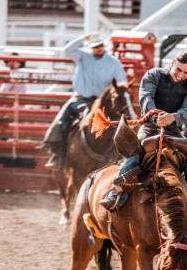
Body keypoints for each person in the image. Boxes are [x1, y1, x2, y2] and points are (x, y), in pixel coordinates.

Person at [99, 50, 187, 212]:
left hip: (173, 131)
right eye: (178, 70)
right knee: (135, 154)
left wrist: (172, 117)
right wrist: (158, 116)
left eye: (186, 72)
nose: (181, 75)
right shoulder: (153, 75)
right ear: (173, 62)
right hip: (149, 129)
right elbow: (146, 98)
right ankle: (116, 194)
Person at [42, 33, 127, 170]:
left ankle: (122, 160)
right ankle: (58, 154)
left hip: (101, 101)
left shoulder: (113, 63)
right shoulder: (83, 56)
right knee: (62, 121)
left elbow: (122, 83)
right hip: (80, 98)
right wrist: (82, 38)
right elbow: (67, 50)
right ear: (91, 48)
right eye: (95, 46)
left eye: (100, 46)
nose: (98, 49)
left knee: (119, 125)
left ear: (104, 46)